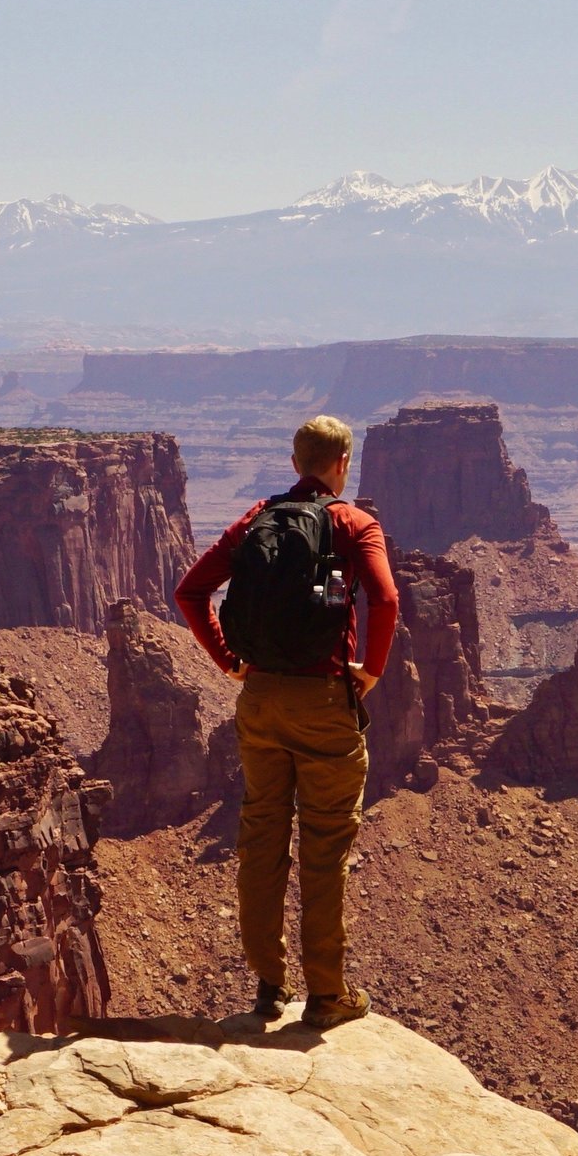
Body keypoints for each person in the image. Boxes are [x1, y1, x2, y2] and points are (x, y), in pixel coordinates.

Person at [175, 414, 397, 1029]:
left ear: (296, 462)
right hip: (325, 702)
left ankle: (269, 988)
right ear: (342, 464)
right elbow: (385, 599)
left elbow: (190, 592)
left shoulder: (255, 518)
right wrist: (370, 670)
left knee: (262, 840)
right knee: (325, 848)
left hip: (261, 700)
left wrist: (229, 663)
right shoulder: (352, 522)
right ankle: (326, 995)